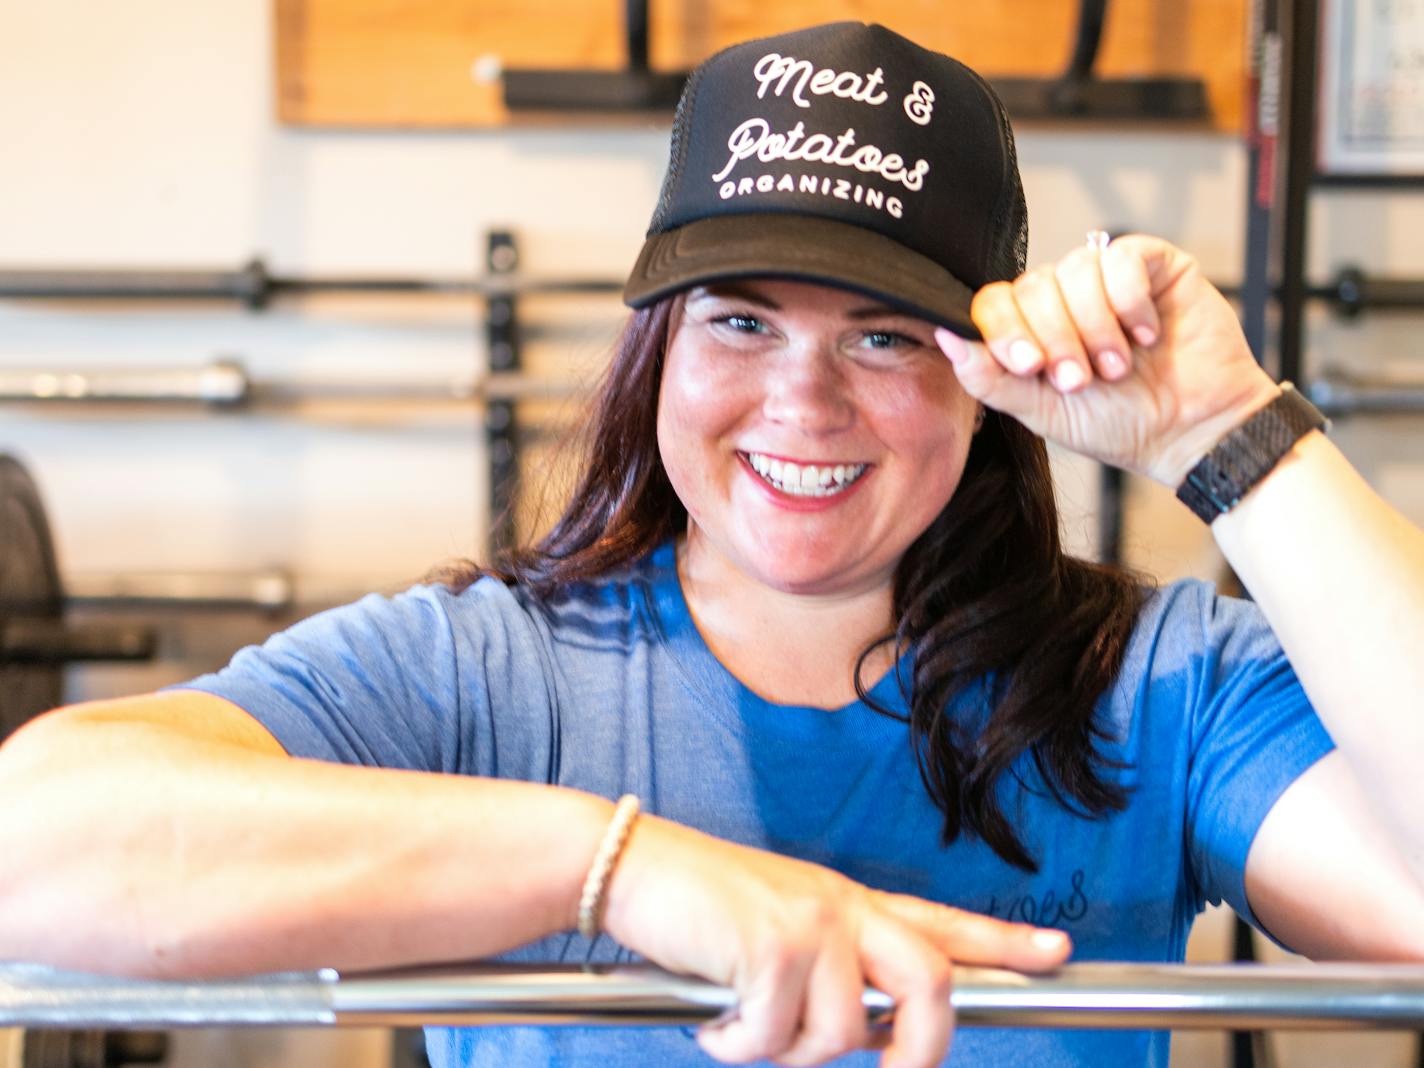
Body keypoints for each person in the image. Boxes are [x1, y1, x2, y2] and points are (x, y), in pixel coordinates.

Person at [2, 19, 1424, 1068]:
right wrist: (625, 871)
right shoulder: (484, 674)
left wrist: (1230, 431)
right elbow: (33, 851)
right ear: (658, 359)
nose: (801, 401)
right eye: (739, 322)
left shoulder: (1154, 684)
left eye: (883, 338)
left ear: (991, 389)